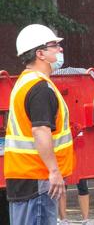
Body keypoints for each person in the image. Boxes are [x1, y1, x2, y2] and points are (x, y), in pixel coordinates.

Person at [5, 24, 75, 225]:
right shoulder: (40, 88)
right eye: (54, 45)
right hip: (39, 178)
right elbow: (40, 130)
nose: (60, 49)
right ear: (40, 53)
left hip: (24, 176)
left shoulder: (24, 82)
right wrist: (54, 171)